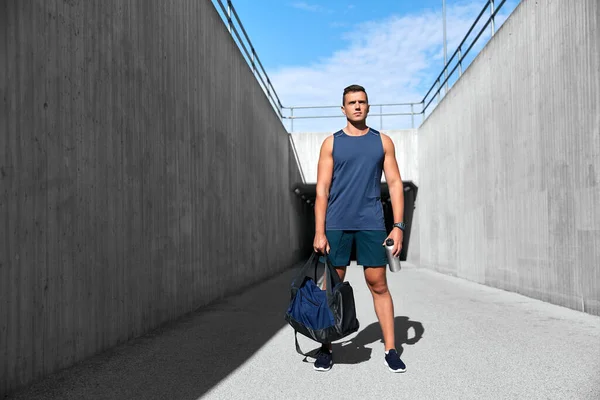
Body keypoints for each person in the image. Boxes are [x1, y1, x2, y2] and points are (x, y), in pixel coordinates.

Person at [312, 84, 406, 373]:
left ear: (368, 106)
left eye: (361, 102)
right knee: (332, 289)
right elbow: (322, 189)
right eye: (351, 102)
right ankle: (327, 347)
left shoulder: (383, 142)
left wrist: (398, 226)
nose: (357, 106)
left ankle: (391, 350)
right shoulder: (332, 143)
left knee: (378, 284)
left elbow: (394, 184)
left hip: (372, 224)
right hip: (337, 223)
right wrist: (319, 230)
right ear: (343, 109)